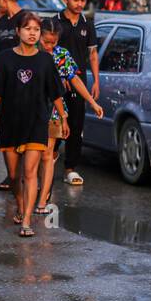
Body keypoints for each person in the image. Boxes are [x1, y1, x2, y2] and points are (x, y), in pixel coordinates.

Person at [0, 10, 66, 237]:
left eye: (36, 30)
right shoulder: (6, 58)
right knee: (13, 175)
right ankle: (20, 204)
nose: (32, 33)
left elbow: (55, 92)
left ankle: (27, 220)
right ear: (18, 31)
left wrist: (63, 118)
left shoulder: (45, 60)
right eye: (28, 29)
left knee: (30, 173)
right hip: (11, 122)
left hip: (37, 122)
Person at [36, 18, 104, 214]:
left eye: (53, 42)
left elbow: (75, 80)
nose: (48, 46)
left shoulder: (62, 55)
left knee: (47, 154)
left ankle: (43, 197)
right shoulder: (29, 53)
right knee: (33, 156)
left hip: (55, 111)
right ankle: (31, 190)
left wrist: (92, 102)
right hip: (30, 110)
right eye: (45, 41)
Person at [58, 0, 100, 187]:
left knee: (76, 125)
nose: (79, 3)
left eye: (83, 0)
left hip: (79, 82)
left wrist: (96, 82)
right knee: (54, 121)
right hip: (56, 83)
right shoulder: (55, 22)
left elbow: (92, 54)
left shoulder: (87, 24)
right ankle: (48, 159)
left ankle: (70, 168)